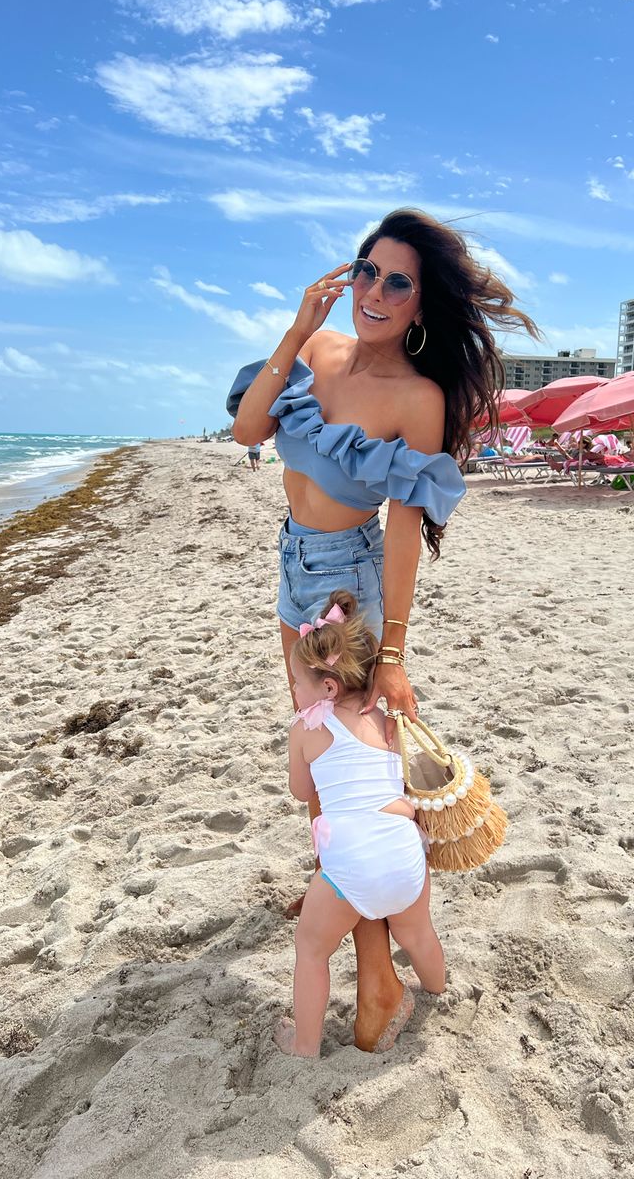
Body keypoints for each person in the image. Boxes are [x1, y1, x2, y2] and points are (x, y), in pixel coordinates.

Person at [227, 207, 537, 1051]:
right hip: (293, 568)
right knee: (321, 750)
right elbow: (249, 429)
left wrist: (393, 653)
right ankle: (348, 893)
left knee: (348, 756)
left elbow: (404, 528)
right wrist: (296, 330)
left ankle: (377, 979)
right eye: (367, 270)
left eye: (397, 281)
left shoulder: (417, 398)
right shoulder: (318, 352)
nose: (374, 291)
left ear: (421, 303)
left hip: (347, 584)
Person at [275, 591, 445, 1058]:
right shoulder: (384, 715)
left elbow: (301, 791)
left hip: (350, 869)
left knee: (311, 949)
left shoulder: (306, 728)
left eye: (297, 683)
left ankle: (304, 1044)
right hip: (406, 850)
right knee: (417, 932)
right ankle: (437, 988)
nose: (294, 692)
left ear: (327, 688)